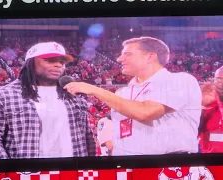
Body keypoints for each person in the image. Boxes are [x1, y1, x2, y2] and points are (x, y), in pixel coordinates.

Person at [64, 36, 202, 155]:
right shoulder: (122, 92)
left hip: (169, 167)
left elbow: (145, 112)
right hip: (127, 164)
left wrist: (96, 90)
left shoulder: (180, 80)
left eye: (127, 54)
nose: (119, 59)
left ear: (150, 57)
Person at [0, 41, 96, 159]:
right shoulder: (1, 97)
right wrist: (10, 171)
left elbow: (87, 137)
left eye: (62, 62)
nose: (59, 65)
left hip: (73, 173)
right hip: (28, 174)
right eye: (50, 60)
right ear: (30, 63)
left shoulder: (73, 94)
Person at [199, 66, 223, 153]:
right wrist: (203, 107)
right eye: (218, 79)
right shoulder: (206, 100)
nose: (221, 83)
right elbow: (192, 131)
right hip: (207, 159)